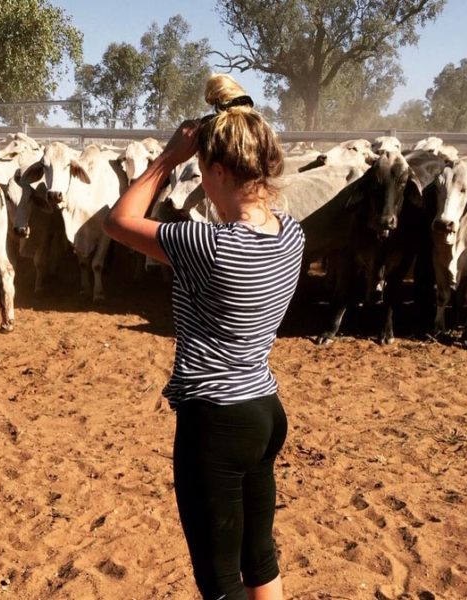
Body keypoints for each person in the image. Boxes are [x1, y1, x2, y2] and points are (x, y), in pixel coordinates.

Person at [103, 73, 303, 600]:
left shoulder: (206, 244)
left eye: (202, 175)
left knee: (219, 580)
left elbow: (118, 221)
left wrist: (167, 160)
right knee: (259, 558)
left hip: (215, 422)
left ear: (217, 171)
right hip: (264, 409)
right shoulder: (291, 235)